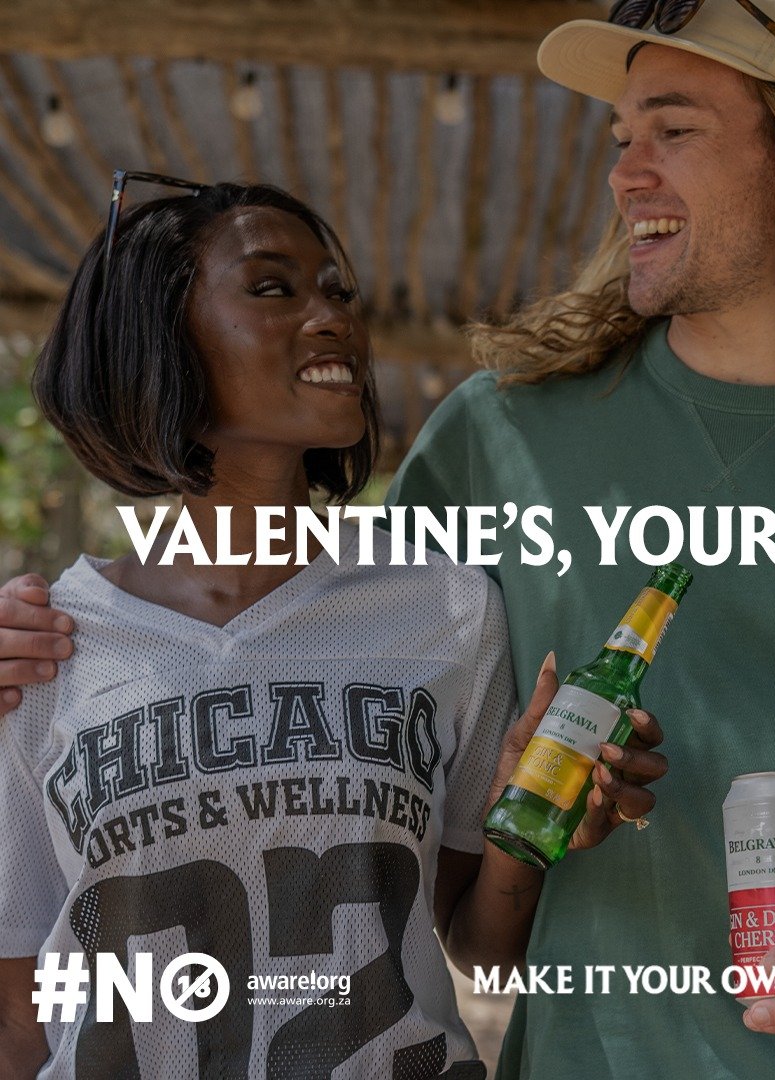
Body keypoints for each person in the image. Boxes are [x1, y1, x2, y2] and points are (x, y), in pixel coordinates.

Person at [3, 3, 775, 1078]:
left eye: (674, 130)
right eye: (622, 137)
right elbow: (306, 653)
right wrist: (51, 646)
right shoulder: (498, 437)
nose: (626, 174)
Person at [0, 180, 667, 1079]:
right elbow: (20, 1014)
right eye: (273, 288)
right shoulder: (45, 648)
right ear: (160, 338)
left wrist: (532, 827)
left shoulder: (447, 610)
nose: (333, 318)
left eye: (337, 291)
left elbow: (484, 951)